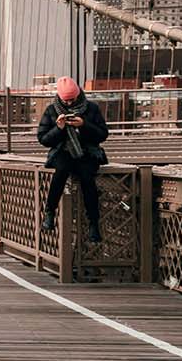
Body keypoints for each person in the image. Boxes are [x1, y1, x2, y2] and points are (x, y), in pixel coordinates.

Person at [39, 76, 109, 242]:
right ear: (60, 98)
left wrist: (83, 125)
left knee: (87, 178)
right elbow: (43, 139)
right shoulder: (51, 110)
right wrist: (59, 128)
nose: (69, 103)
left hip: (87, 153)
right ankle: (49, 213)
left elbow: (102, 134)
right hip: (62, 152)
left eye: (72, 100)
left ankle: (93, 224)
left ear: (78, 94)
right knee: (61, 170)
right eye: (66, 100)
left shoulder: (91, 109)